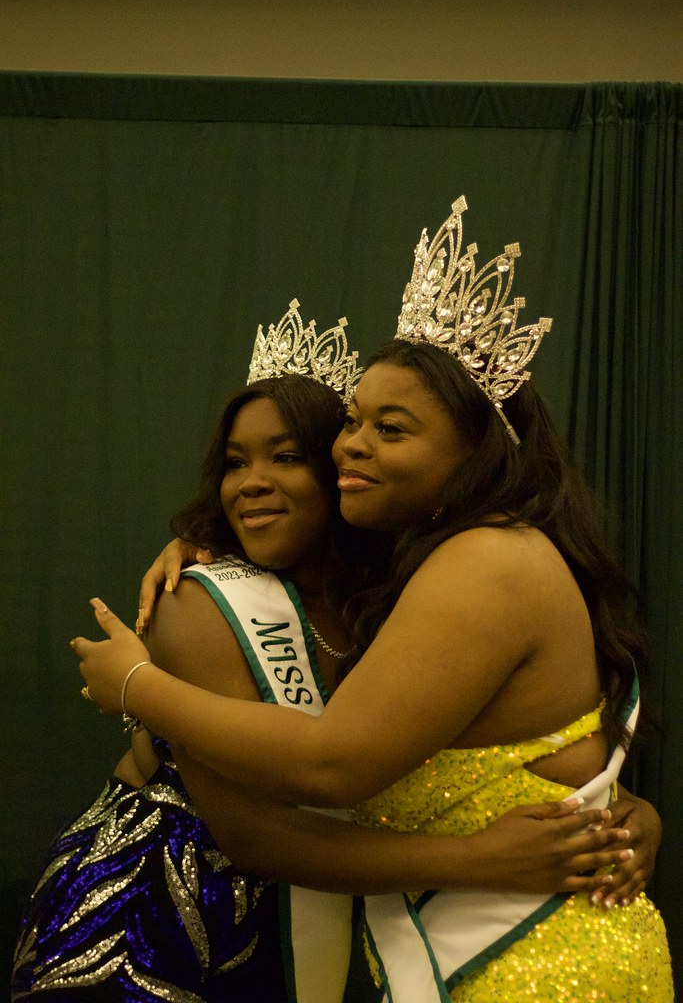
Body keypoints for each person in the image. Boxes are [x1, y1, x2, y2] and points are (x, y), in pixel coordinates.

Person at [73, 200, 673, 1001]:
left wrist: (133, 685)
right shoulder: (402, 573)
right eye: (351, 424)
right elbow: (502, 767)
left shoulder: (482, 561)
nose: (352, 446)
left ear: (474, 450)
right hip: (158, 933)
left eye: (389, 430)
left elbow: (334, 764)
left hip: (529, 966)